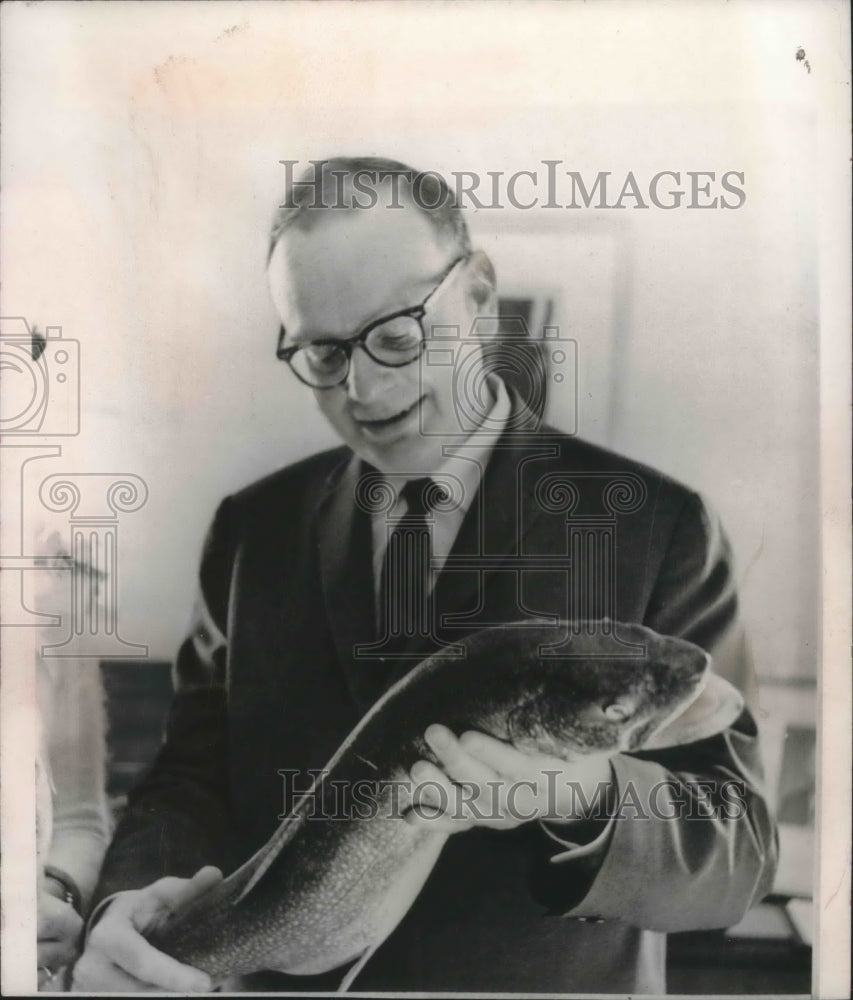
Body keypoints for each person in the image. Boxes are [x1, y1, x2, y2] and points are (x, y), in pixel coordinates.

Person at [73, 158, 777, 993]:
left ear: (478, 294)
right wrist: (131, 908)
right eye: (323, 354)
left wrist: (587, 799)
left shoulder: (654, 525)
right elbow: (186, 781)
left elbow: (738, 850)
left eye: (397, 335)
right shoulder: (251, 530)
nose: (364, 389)